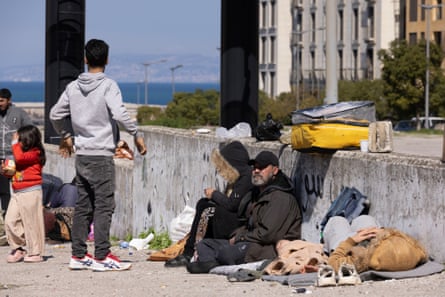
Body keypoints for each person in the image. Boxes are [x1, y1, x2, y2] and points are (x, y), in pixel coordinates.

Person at [49, 38, 147, 272]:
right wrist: (136, 134)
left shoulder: (72, 87)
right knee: (104, 205)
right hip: (102, 154)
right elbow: (121, 115)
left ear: (85, 59)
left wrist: (66, 135)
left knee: (84, 205)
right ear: (107, 60)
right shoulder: (108, 85)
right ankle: (102, 255)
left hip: (82, 154)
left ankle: (79, 255)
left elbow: (54, 114)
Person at [187, 151, 302, 273]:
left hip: (266, 248)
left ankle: (211, 264)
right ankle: (213, 265)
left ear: (274, 170)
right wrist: (237, 235)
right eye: (255, 168)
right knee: (205, 245)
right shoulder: (257, 194)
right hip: (250, 242)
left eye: (262, 168)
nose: (256, 171)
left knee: (226, 253)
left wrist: (239, 238)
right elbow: (248, 224)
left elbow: (268, 235)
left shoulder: (280, 198)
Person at [165, 141, 253, 267]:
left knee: (207, 209)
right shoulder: (239, 178)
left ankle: (191, 252)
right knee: (204, 204)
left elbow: (233, 205)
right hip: (234, 219)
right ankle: (192, 249)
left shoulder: (246, 178)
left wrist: (214, 194)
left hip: (239, 224)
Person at [3, 125, 46, 263]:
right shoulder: (20, 153)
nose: (18, 142)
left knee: (32, 223)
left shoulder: (35, 152)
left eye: (20, 139)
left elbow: (21, 159)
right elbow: (17, 164)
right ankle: (18, 247)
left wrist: (14, 143)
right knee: (10, 220)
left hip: (31, 191)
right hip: (17, 191)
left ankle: (36, 252)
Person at [0, 88, 33, 216]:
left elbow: (30, 129)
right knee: (3, 190)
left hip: (14, 158)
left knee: (18, 187)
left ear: (9, 100)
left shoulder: (19, 113)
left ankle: (19, 215)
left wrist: (23, 144)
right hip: (1, 159)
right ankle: (6, 215)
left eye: (2, 101)